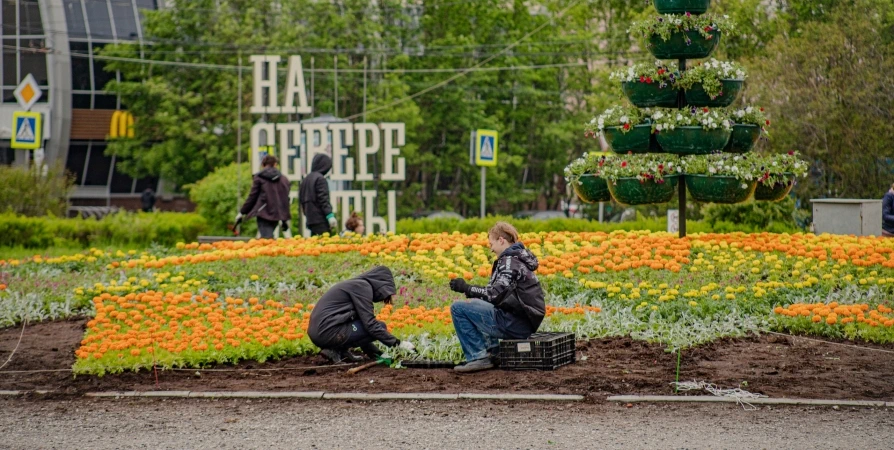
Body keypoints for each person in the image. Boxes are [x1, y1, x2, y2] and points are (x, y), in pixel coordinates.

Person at [447, 222, 545, 373]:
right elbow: (496, 294)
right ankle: (493, 353)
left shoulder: (509, 261)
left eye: (491, 243)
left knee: (458, 308)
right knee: (477, 302)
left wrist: (466, 287)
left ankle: (478, 357)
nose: (490, 248)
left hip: (515, 324)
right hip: (524, 321)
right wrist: (471, 291)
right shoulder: (518, 258)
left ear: (501, 240)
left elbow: (494, 293)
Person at [308, 266, 416, 363]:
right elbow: (370, 325)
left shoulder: (357, 285)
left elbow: (363, 327)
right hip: (328, 332)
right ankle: (335, 350)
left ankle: (337, 351)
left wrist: (377, 354)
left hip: (320, 333)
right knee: (380, 326)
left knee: (364, 326)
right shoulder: (363, 287)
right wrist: (399, 344)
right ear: (380, 285)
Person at [236, 155, 292, 239]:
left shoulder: (259, 177)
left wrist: (242, 212)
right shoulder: (284, 179)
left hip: (263, 212)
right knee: (268, 237)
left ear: (263, 165)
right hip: (278, 214)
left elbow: (252, 196)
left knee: (266, 239)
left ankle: (268, 251)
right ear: (275, 164)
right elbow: (285, 200)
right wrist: (284, 219)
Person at [299, 153, 338, 236]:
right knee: (325, 243)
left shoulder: (306, 179)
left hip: (310, 218)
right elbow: (323, 199)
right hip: (320, 218)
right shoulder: (320, 179)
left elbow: (301, 198)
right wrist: (329, 215)